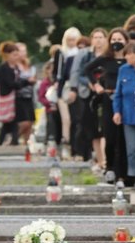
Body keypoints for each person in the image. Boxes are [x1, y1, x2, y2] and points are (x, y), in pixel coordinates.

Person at [84, 28, 130, 183]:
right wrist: (96, 85)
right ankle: (109, 167)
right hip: (109, 99)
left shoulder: (129, 58)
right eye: (114, 40)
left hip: (126, 100)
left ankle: (125, 172)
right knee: (109, 136)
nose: (117, 42)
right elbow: (87, 69)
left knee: (124, 137)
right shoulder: (106, 58)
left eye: (120, 39)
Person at [70, 29, 108, 166]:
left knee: (104, 127)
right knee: (92, 128)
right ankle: (99, 159)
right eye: (95, 37)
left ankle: (105, 159)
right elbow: (80, 73)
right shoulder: (86, 55)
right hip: (89, 94)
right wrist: (90, 83)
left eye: (101, 37)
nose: (98, 40)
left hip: (106, 93)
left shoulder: (108, 55)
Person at [113, 41, 135, 187]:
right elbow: (118, 93)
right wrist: (117, 111)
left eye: (129, 54)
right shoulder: (123, 70)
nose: (126, 57)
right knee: (133, 148)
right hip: (129, 114)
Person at [0, 42, 35, 146]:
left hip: (14, 99)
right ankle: (7, 143)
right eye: (14, 55)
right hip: (7, 99)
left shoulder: (15, 68)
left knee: (13, 124)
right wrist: (26, 82)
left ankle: (12, 142)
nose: (16, 57)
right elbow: (10, 83)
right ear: (7, 55)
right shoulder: (4, 68)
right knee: (9, 124)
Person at [52, 27, 81, 159]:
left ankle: (75, 147)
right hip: (63, 88)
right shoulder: (61, 53)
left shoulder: (81, 53)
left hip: (77, 88)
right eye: (69, 40)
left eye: (73, 40)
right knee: (65, 119)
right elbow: (57, 73)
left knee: (76, 118)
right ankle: (65, 144)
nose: (71, 42)